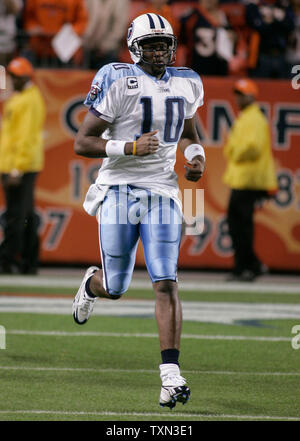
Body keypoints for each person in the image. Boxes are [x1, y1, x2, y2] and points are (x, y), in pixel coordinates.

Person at [72, 13, 205, 409]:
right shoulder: (115, 77)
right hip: (117, 188)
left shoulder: (188, 81)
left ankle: (170, 374)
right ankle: (91, 284)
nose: (159, 51)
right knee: (116, 287)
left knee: (166, 280)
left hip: (163, 189)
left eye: (164, 44)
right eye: (151, 44)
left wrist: (196, 158)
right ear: (135, 47)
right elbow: (83, 142)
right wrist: (129, 147)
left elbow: (190, 133)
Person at [223, 78, 278, 282]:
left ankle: (247, 266)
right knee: (239, 223)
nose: (238, 98)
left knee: (240, 224)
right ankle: (249, 265)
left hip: (249, 179)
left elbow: (252, 147)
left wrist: (234, 152)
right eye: (237, 94)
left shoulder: (254, 117)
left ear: (252, 96)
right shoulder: (248, 116)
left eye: (242, 94)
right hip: (243, 179)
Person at [0, 57, 46, 274]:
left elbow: (26, 138)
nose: (11, 80)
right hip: (17, 164)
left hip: (21, 166)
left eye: (15, 77)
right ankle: (29, 261)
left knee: (16, 215)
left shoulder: (29, 100)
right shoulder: (23, 97)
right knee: (24, 214)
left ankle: (8, 260)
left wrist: (17, 168)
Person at [82, 0, 130, 70]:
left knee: (106, 77)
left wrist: (105, 46)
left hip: (108, 50)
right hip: (88, 47)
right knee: (87, 78)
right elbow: (85, 20)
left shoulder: (121, 2)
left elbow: (119, 27)